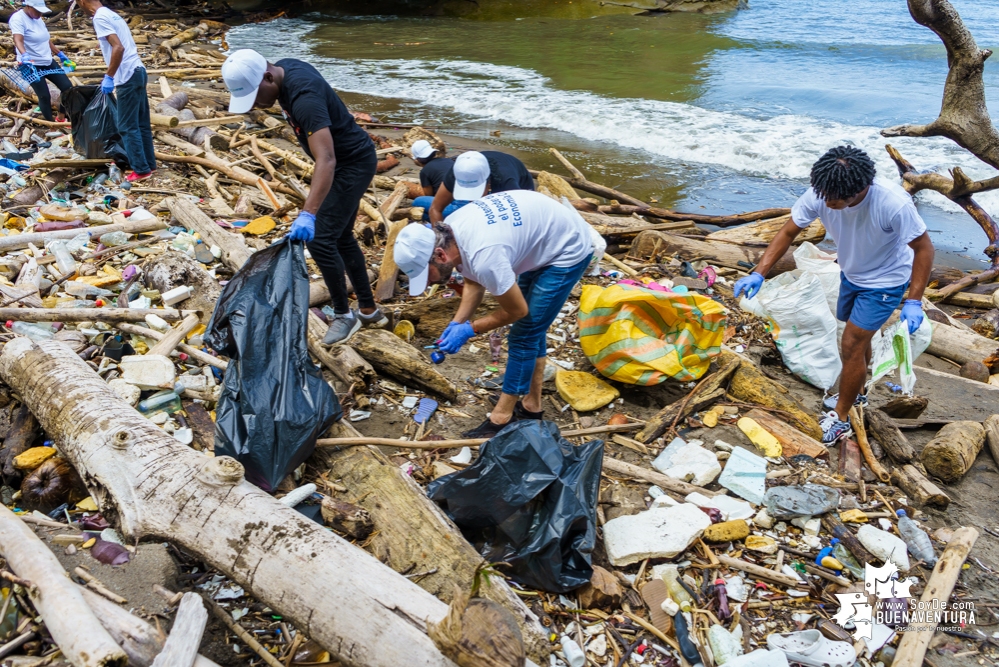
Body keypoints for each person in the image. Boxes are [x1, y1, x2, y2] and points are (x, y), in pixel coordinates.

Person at [734, 146, 933, 444]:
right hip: (851, 273)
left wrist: (914, 300)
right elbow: (788, 232)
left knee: (851, 343)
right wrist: (758, 272)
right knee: (856, 337)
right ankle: (860, 394)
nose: (827, 202)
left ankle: (840, 419)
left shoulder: (893, 204)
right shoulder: (824, 191)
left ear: (860, 189)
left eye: (835, 199)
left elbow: (924, 249)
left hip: (886, 281)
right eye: (824, 195)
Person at [221, 49, 388, 345]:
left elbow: (327, 160)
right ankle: (368, 310)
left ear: (268, 76)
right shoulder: (284, 72)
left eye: (256, 95)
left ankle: (343, 315)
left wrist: (308, 213)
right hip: (344, 159)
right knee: (341, 236)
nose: (257, 104)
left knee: (320, 239)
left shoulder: (304, 97)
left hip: (351, 163)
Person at [394, 190, 593, 438]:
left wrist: (469, 329)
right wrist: (457, 322)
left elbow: (517, 311)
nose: (427, 284)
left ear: (440, 255)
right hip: (540, 238)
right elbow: (473, 283)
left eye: (427, 275)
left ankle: (501, 419)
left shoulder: (484, 256)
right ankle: (532, 406)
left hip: (566, 248)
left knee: (523, 333)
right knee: (534, 328)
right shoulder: (449, 233)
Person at [80, 0, 155, 181]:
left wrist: (109, 76)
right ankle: (149, 164)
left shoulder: (99, 18)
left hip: (127, 75)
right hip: (138, 69)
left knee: (127, 126)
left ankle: (141, 169)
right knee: (141, 122)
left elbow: (118, 47)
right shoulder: (111, 13)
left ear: (83, 1)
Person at [427, 149, 534, 223]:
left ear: (488, 182)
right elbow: (435, 209)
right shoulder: (457, 173)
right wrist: (441, 240)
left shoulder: (506, 183)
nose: (470, 199)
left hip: (522, 185)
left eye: (475, 192)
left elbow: (520, 219)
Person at [9, 0, 74, 123]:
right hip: (30, 64)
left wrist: (59, 53)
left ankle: (61, 117)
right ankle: (50, 125)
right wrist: (25, 55)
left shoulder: (38, 18)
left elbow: (46, 39)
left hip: (46, 60)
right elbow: (18, 40)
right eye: (38, 11)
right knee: (44, 95)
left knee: (68, 88)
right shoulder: (18, 18)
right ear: (28, 6)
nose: (40, 14)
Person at [410, 139, 454, 220]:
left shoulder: (425, 171)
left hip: (451, 206)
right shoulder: (448, 160)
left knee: (416, 202)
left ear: (417, 160)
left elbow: (429, 195)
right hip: (466, 202)